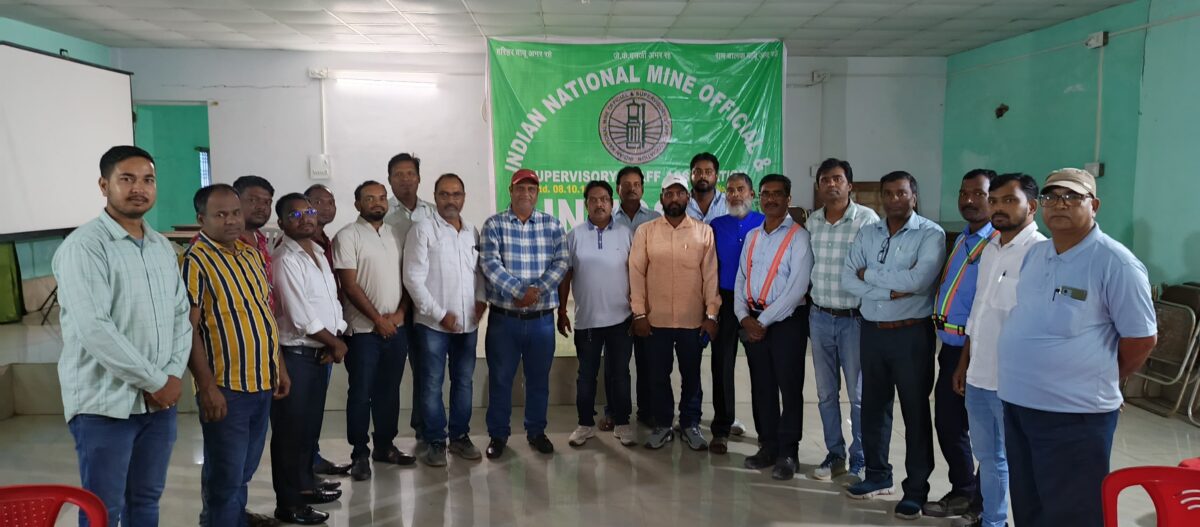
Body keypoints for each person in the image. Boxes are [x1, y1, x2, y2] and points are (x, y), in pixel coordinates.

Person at [997, 168, 1157, 527]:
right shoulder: (1036, 254)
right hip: (1019, 405)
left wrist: (1102, 377)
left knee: (1072, 513)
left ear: (1094, 205)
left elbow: (1142, 339)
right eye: (1052, 197)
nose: (1060, 204)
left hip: (1074, 415)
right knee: (1029, 506)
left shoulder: (1115, 263)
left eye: (1072, 197)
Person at [53, 146, 191, 527]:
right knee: (103, 509)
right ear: (104, 185)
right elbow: (95, 328)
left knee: (145, 501)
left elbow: (181, 315)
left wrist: (172, 375)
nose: (139, 189)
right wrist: (156, 381)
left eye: (148, 180)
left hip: (158, 405)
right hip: (105, 405)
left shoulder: (162, 247)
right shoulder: (84, 247)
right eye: (126, 179)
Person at [184, 184, 290, 527]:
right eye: (220, 214)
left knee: (243, 467)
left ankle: (232, 519)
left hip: (261, 380)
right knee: (226, 473)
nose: (231, 221)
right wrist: (206, 387)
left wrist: (279, 366)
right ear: (201, 219)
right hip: (226, 386)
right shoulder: (195, 261)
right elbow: (188, 330)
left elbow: (264, 314)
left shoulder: (250, 255)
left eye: (235, 213)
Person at [841, 171, 944, 521]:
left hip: (911, 334)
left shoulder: (930, 233)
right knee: (874, 407)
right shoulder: (868, 232)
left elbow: (918, 280)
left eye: (901, 193)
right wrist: (890, 290)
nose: (894, 199)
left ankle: (915, 490)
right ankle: (877, 476)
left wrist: (869, 276)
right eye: (888, 193)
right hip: (872, 332)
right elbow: (848, 278)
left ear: (914, 196)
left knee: (915, 411)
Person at [949, 173, 1047, 527]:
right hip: (979, 375)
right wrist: (964, 363)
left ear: (1031, 207)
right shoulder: (990, 249)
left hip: (1014, 383)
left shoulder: (1041, 254)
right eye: (995, 201)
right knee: (989, 458)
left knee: (1019, 461)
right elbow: (980, 313)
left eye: (1009, 200)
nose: (998, 208)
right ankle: (993, 520)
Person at [480, 168, 569, 458]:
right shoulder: (494, 225)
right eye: (520, 188)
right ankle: (498, 435)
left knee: (538, 380)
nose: (526, 194)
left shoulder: (552, 225)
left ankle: (536, 431)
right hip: (504, 320)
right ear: (511, 191)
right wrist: (519, 291)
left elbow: (561, 263)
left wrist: (535, 291)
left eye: (531, 189)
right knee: (500, 380)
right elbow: (489, 264)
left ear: (538, 193)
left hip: (541, 321)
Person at [269, 193, 347, 525]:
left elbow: (332, 302)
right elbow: (300, 315)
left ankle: (305, 486)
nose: (306, 218)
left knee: (307, 430)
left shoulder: (316, 251)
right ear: (282, 222)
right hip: (297, 355)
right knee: (290, 433)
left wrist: (336, 335)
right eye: (296, 214)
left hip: (319, 353)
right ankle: (288, 503)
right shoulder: (284, 258)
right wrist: (336, 343)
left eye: (309, 211)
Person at [629, 173, 720, 451]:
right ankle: (663, 425)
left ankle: (691, 424)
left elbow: (711, 276)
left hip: (692, 321)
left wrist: (711, 315)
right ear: (661, 198)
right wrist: (639, 314)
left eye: (680, 193)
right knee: (658, 376)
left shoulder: (704, 232)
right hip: (655, 321)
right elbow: (636, 273)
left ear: (687, 197)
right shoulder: (646, 232)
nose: (674, 198)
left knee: (692, 376)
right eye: (669, 193)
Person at [403, 173, 488, 467]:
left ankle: (460, 437)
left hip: (468, 325)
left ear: (464, 197)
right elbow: (413, 279)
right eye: (444, 194)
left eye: (456, 194)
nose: (451, 200)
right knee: (431, 384)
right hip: (433, 326)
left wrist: (481, 300)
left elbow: (480, 272)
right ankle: (436, 441)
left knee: (464, 382)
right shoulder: (423, 230)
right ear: (435, 197)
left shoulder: (472, 232)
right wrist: (440, 314)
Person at [926, 169, 996, 518]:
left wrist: (967, 358)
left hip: (979, 352)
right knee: (949, 424)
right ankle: (964, 490)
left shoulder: (997, 244)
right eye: (964, 193)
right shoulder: (961, 239)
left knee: (986, 433)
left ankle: (983, 505)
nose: (969, 200)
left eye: (978, 194)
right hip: (951, 350)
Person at [734, 174, 813, 480]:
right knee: (762, 386)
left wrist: (761, 322)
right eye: (766, 194)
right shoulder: (753, 236)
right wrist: (743, 317)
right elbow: (741, 278)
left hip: (786, 323)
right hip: (753, 319)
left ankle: (788, 452)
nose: (771, 199)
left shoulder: (799, 237)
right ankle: (767, 445)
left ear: (788, 199)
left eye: (778, 194)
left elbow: (796, 290)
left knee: (789, 388)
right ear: (759, 198)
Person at [333, 180, 414, 481]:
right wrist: (377, 319)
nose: (377, 203)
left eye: (381, 198)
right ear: (358, 204)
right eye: (370, 198)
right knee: (361, 393)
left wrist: (400, 314)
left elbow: (409, 278)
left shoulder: (396, 235)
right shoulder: (347, 236)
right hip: (363, 331)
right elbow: (349, 285)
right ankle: (359, 454)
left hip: (396, 328)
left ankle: (385, 445)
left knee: (389, 392)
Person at [806, 158, 878, 482]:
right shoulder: (813, 222)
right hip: (820, 317)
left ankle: (860, 458)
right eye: (825, 179)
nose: (831, 184)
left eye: (837, 178)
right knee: (825, 394)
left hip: (854, 320)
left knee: (859, 396)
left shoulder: (867, 220)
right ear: (819, 186)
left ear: (850, 185)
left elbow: (874, 268)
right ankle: (834, 454)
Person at [557, 181, 636, 447]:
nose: (599, 204)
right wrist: (562, 310)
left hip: (621, 320)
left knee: (620, 374)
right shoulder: (574, 235)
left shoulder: (626, 234)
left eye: (604, 199)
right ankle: (585, 424)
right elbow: (566, 276)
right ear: (586, 204)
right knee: (586, 376)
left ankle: (622, 422)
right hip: (587, 321)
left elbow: (636, 273)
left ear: (612, 203)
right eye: (593, 199)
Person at [707, 172, 762, 453]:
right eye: (730, 190)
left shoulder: (765, 222)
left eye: (741, 189)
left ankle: (766, 432)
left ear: (752, 194)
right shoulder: (716, 226)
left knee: (761, 368)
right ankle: (721, 429)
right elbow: (709, 269)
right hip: (726, 301)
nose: (735, 195)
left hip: (757, 304)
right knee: (722, 365)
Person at [383, 152, 436, 442]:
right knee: (389, 375)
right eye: (398, 175)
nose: (405, 179)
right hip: (392, 305)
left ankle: (424, 428)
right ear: (389, 180)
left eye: (410, 174)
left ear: (419, 178)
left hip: (425, 304)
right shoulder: (381, 213)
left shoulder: (433, 213)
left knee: (426, 372)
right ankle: (385, 439)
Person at [302, 183, 351, 477]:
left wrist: (336, 337)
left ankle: (312, 458)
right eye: (318, 202)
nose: (326, 207)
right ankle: (303, 468)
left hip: (328, 339)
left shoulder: (326, 243)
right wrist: (330, 340)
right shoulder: (296, 246)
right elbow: (299, 305)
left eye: (330, 202)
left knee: (315, 406)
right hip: (307, 341)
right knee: (302, 410)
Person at [610, 165, 661, 429]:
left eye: (636, 184)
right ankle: (615, 412)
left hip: (648, 302)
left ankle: (647, 410)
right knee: (616, 363)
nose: (632, 189)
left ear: (643, 188)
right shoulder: (608, 219)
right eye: (626, 184)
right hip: (617, 300)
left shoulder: (655, 219)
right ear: (617, 189)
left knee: (647, 361)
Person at [232, 175, 277, 308]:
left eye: (267, 202)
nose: (262, 207)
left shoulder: (260, 238)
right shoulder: (223, 242)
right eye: (253, 200)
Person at [686, 152, 727, 223]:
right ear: (691, 175)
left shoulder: (728, 203)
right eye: (698, 172)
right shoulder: (682, 203)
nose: (703, 176)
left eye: (708, 172)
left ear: (716, 176)